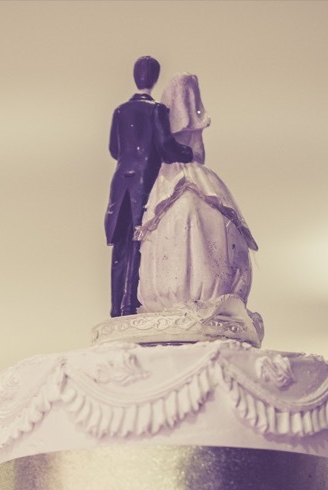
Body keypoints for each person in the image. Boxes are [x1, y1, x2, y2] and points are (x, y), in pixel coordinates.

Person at [135, 73, 258, 312]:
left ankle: (195, 290)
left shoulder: (161, 122)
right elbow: (198, 154)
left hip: (173, 177)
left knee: (188, 219)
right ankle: (195, 290)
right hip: (190, 177)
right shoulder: (185, 129)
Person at [105, 56, 194, 318]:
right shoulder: (156, 111)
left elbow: (114, 149)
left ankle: (115, 308)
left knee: (120, 242)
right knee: (138, 238)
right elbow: (166, 148)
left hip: (120, 180)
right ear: (154, 79)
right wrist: (188, 152)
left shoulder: (120, 111)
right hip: (146, 179)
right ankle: (129, 303)